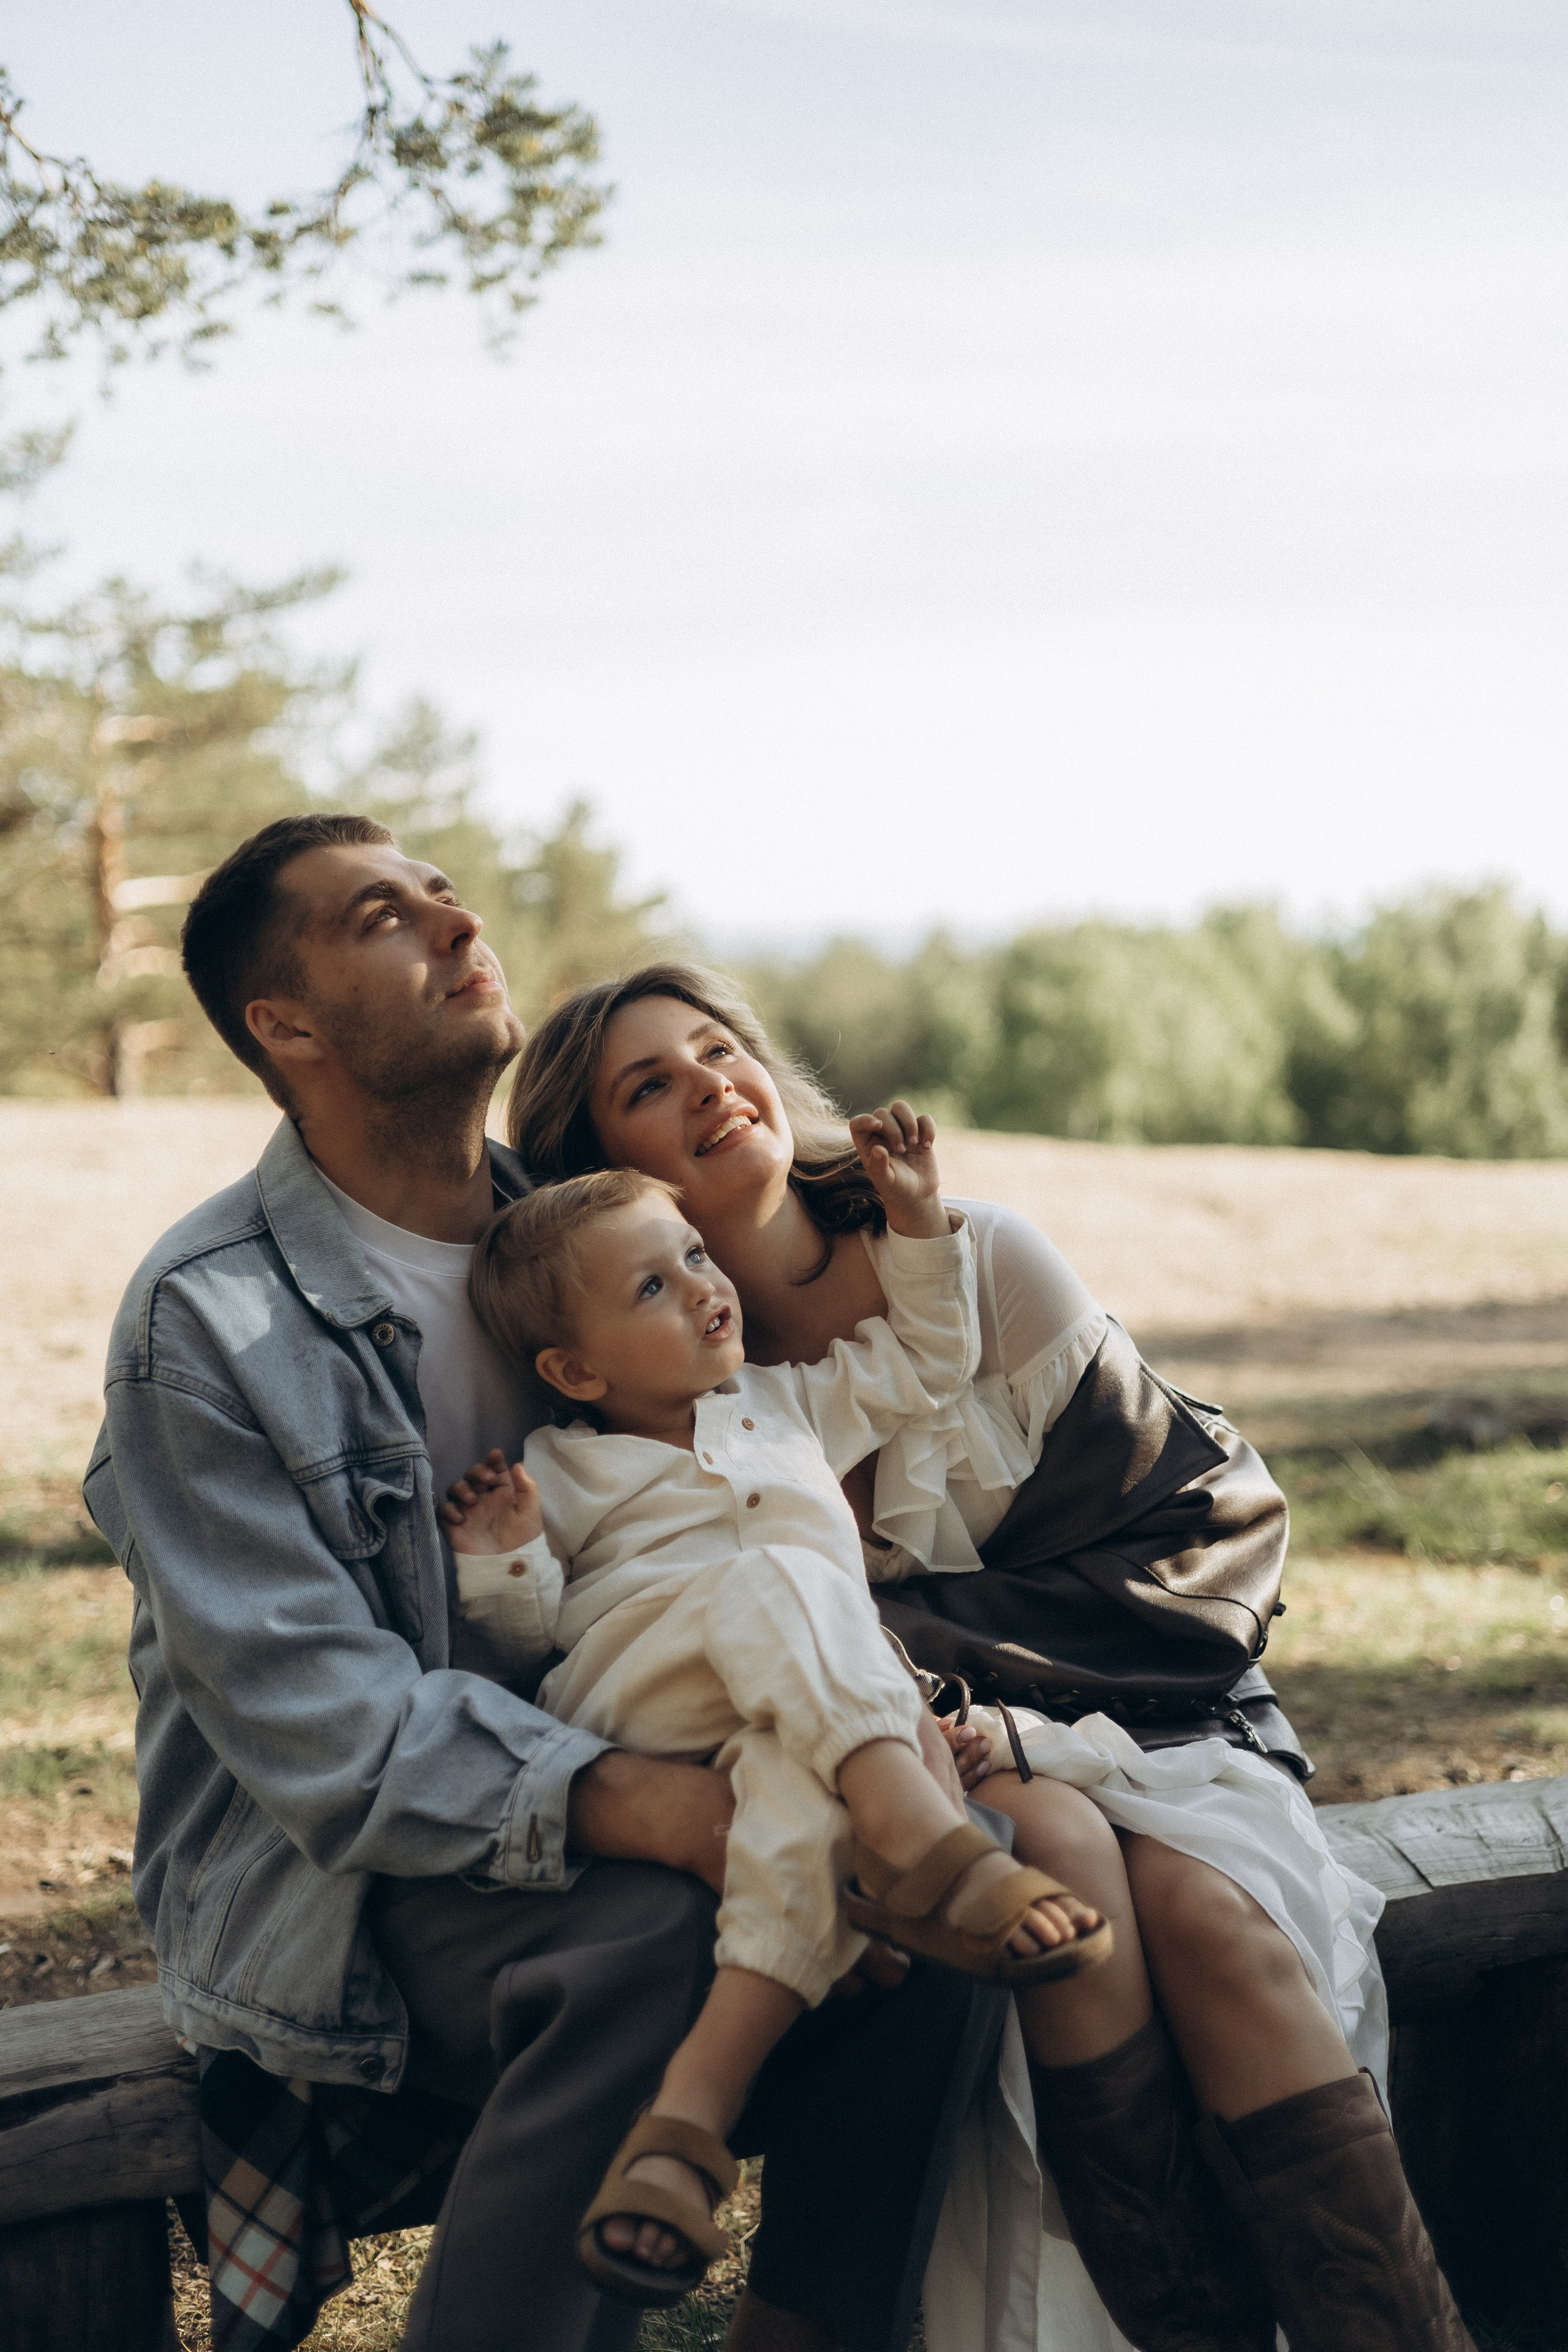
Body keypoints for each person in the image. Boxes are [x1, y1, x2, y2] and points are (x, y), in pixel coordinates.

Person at [85, 815, 1016, 2352]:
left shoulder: (581, 1238)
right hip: (339, 1874)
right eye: (386, 917)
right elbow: (319, 1728)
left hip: (636, 1744)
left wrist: (868, 1729)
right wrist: (668, 1812)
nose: (456, 926)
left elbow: (745, 1515)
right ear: (285, 1024)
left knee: (941, 1889)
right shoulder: (211, 1324)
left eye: (445, 895)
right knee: (646, 1938)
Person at [506, 957, 1478, 2352]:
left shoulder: (969, 1266)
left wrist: (928, 1666)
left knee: (1210, 1923)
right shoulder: (666, 1408)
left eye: (718, 1049)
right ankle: (1187, 2328)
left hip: (1153, 1705)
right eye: (647, 1089)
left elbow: (1202, 1537)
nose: (708, 1086)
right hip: (931, 1766)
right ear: (603, 1178)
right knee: (1052, 1862)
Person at [438, 1143, 1108, 2306]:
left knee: (803, 1820)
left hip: (793, 1714)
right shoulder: (567, 1467)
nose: (706, 1285)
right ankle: (920, 1829)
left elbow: (929, 1360)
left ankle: (684, 2128)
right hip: (647, 1688)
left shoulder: (786, 1402)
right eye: (653, 1287)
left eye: (695, 1256)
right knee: (782, 1577)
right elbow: (520, 1646)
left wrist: (918, 1225)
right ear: (574, 1370)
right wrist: (502, 1559)